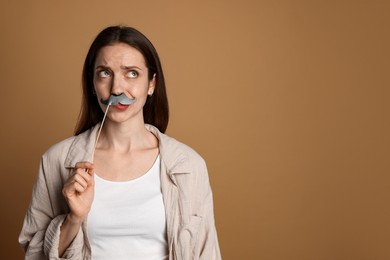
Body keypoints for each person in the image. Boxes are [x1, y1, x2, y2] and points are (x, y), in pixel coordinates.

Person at [19, 25, 221, 260]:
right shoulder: (56, 160)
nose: (116, 88)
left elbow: (208, 253)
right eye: (105, 73)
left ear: (152, 84)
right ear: (93, 85)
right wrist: (73, 219)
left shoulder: (188, 165)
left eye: (132, 73)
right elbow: (34, 254)